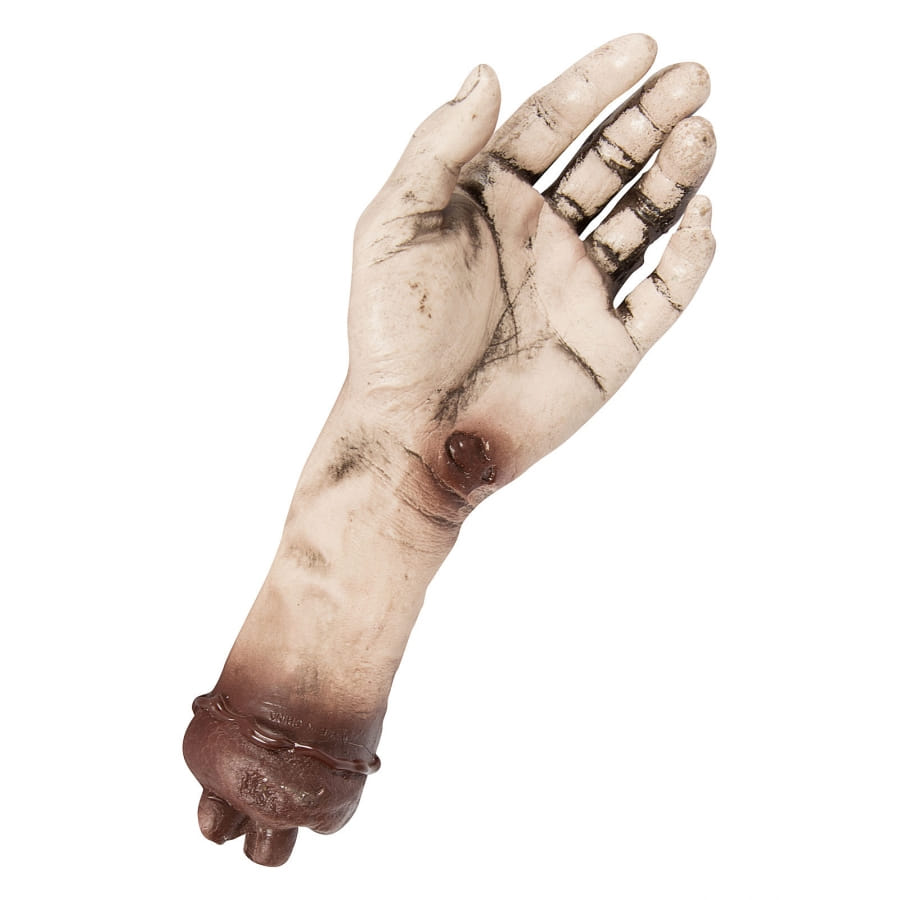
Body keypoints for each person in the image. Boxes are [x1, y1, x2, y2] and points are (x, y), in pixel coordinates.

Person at [183, 33, 716, 867]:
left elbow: (397, 489)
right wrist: (407, 466)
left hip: (307, 732)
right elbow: (398, 478)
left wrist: (415, 474)